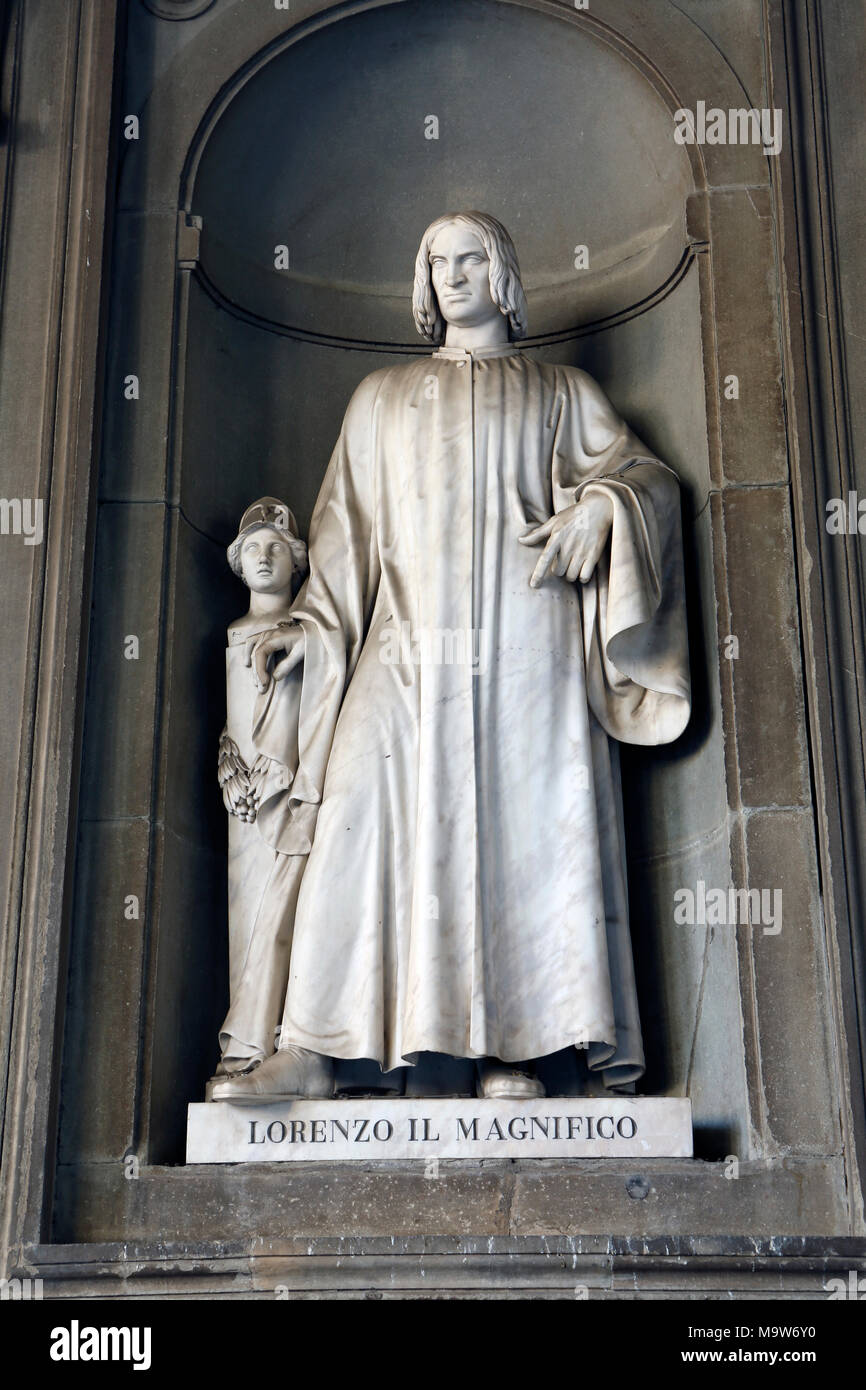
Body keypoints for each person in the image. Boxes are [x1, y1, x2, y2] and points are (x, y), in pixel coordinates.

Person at [212, 212, 690, 1104]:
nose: (454, 273)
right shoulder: (380, 397)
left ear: (505, 273)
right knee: (352, 814)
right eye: (437, 259)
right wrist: (306, 625)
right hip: (403, 648)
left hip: (527, 644)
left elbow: (648, 479)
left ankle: (519, 1042)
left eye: (472, 256)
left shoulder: (561, 391)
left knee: (522, 833)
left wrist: (605, 510)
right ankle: (315, 1044)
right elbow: (345, 539)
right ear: (423, 281)